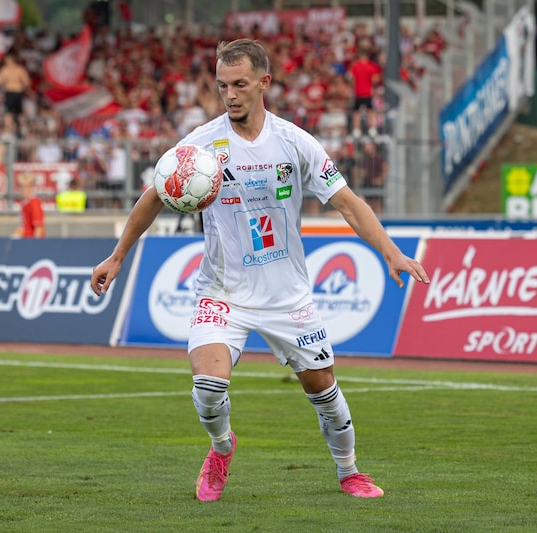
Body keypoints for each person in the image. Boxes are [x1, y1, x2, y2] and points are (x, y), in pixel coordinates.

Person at [90, 39, 430, 502]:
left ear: (264, 83)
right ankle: (221, 449)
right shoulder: (201, 147)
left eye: (240, 85)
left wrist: (390, 251)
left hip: (287, 296)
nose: (229, 95)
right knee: (208, 388)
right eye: (222, 86)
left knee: (323, 391)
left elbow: (348, 203)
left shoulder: (294, 142)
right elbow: (152, 196)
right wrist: (118, 256)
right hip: (223, 292)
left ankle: (349, 471)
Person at [12, 173, 45, 238]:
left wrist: (34, 244)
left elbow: (38, 227)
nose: (24, 189)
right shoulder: (24, 203)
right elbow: (23, 226)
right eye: (21, 186)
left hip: (30, 242)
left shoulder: (34, 202)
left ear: (32, 186)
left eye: (27, 186)